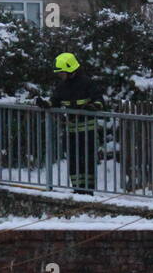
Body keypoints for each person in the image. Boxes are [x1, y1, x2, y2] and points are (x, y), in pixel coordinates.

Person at [35, 52, 104, 195]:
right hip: (72, 130)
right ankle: (77, 189)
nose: (60, 75)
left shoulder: (87, 83)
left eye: (62, 72)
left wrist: (93, 106)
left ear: (71, 70)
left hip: (88, 130)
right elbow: (55, 100)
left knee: (87, 160)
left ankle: (88, 190)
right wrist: (45, 104)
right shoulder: (62, 86)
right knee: (73, 160)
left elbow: (100, 101)